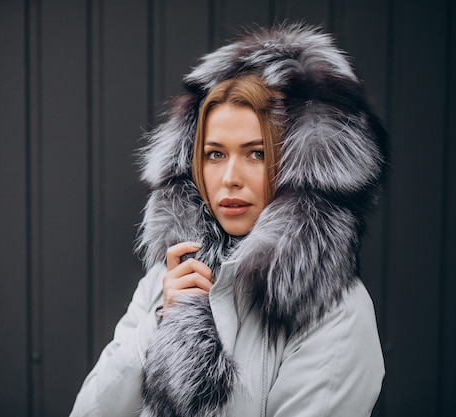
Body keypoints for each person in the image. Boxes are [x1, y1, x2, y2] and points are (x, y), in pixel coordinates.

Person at [69, 23, 388, 417]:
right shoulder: (167, 282)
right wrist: (161, 322)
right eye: (215, 154)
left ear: (295, 166)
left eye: (256, 153)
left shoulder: (336, 311)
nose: (230, 178)